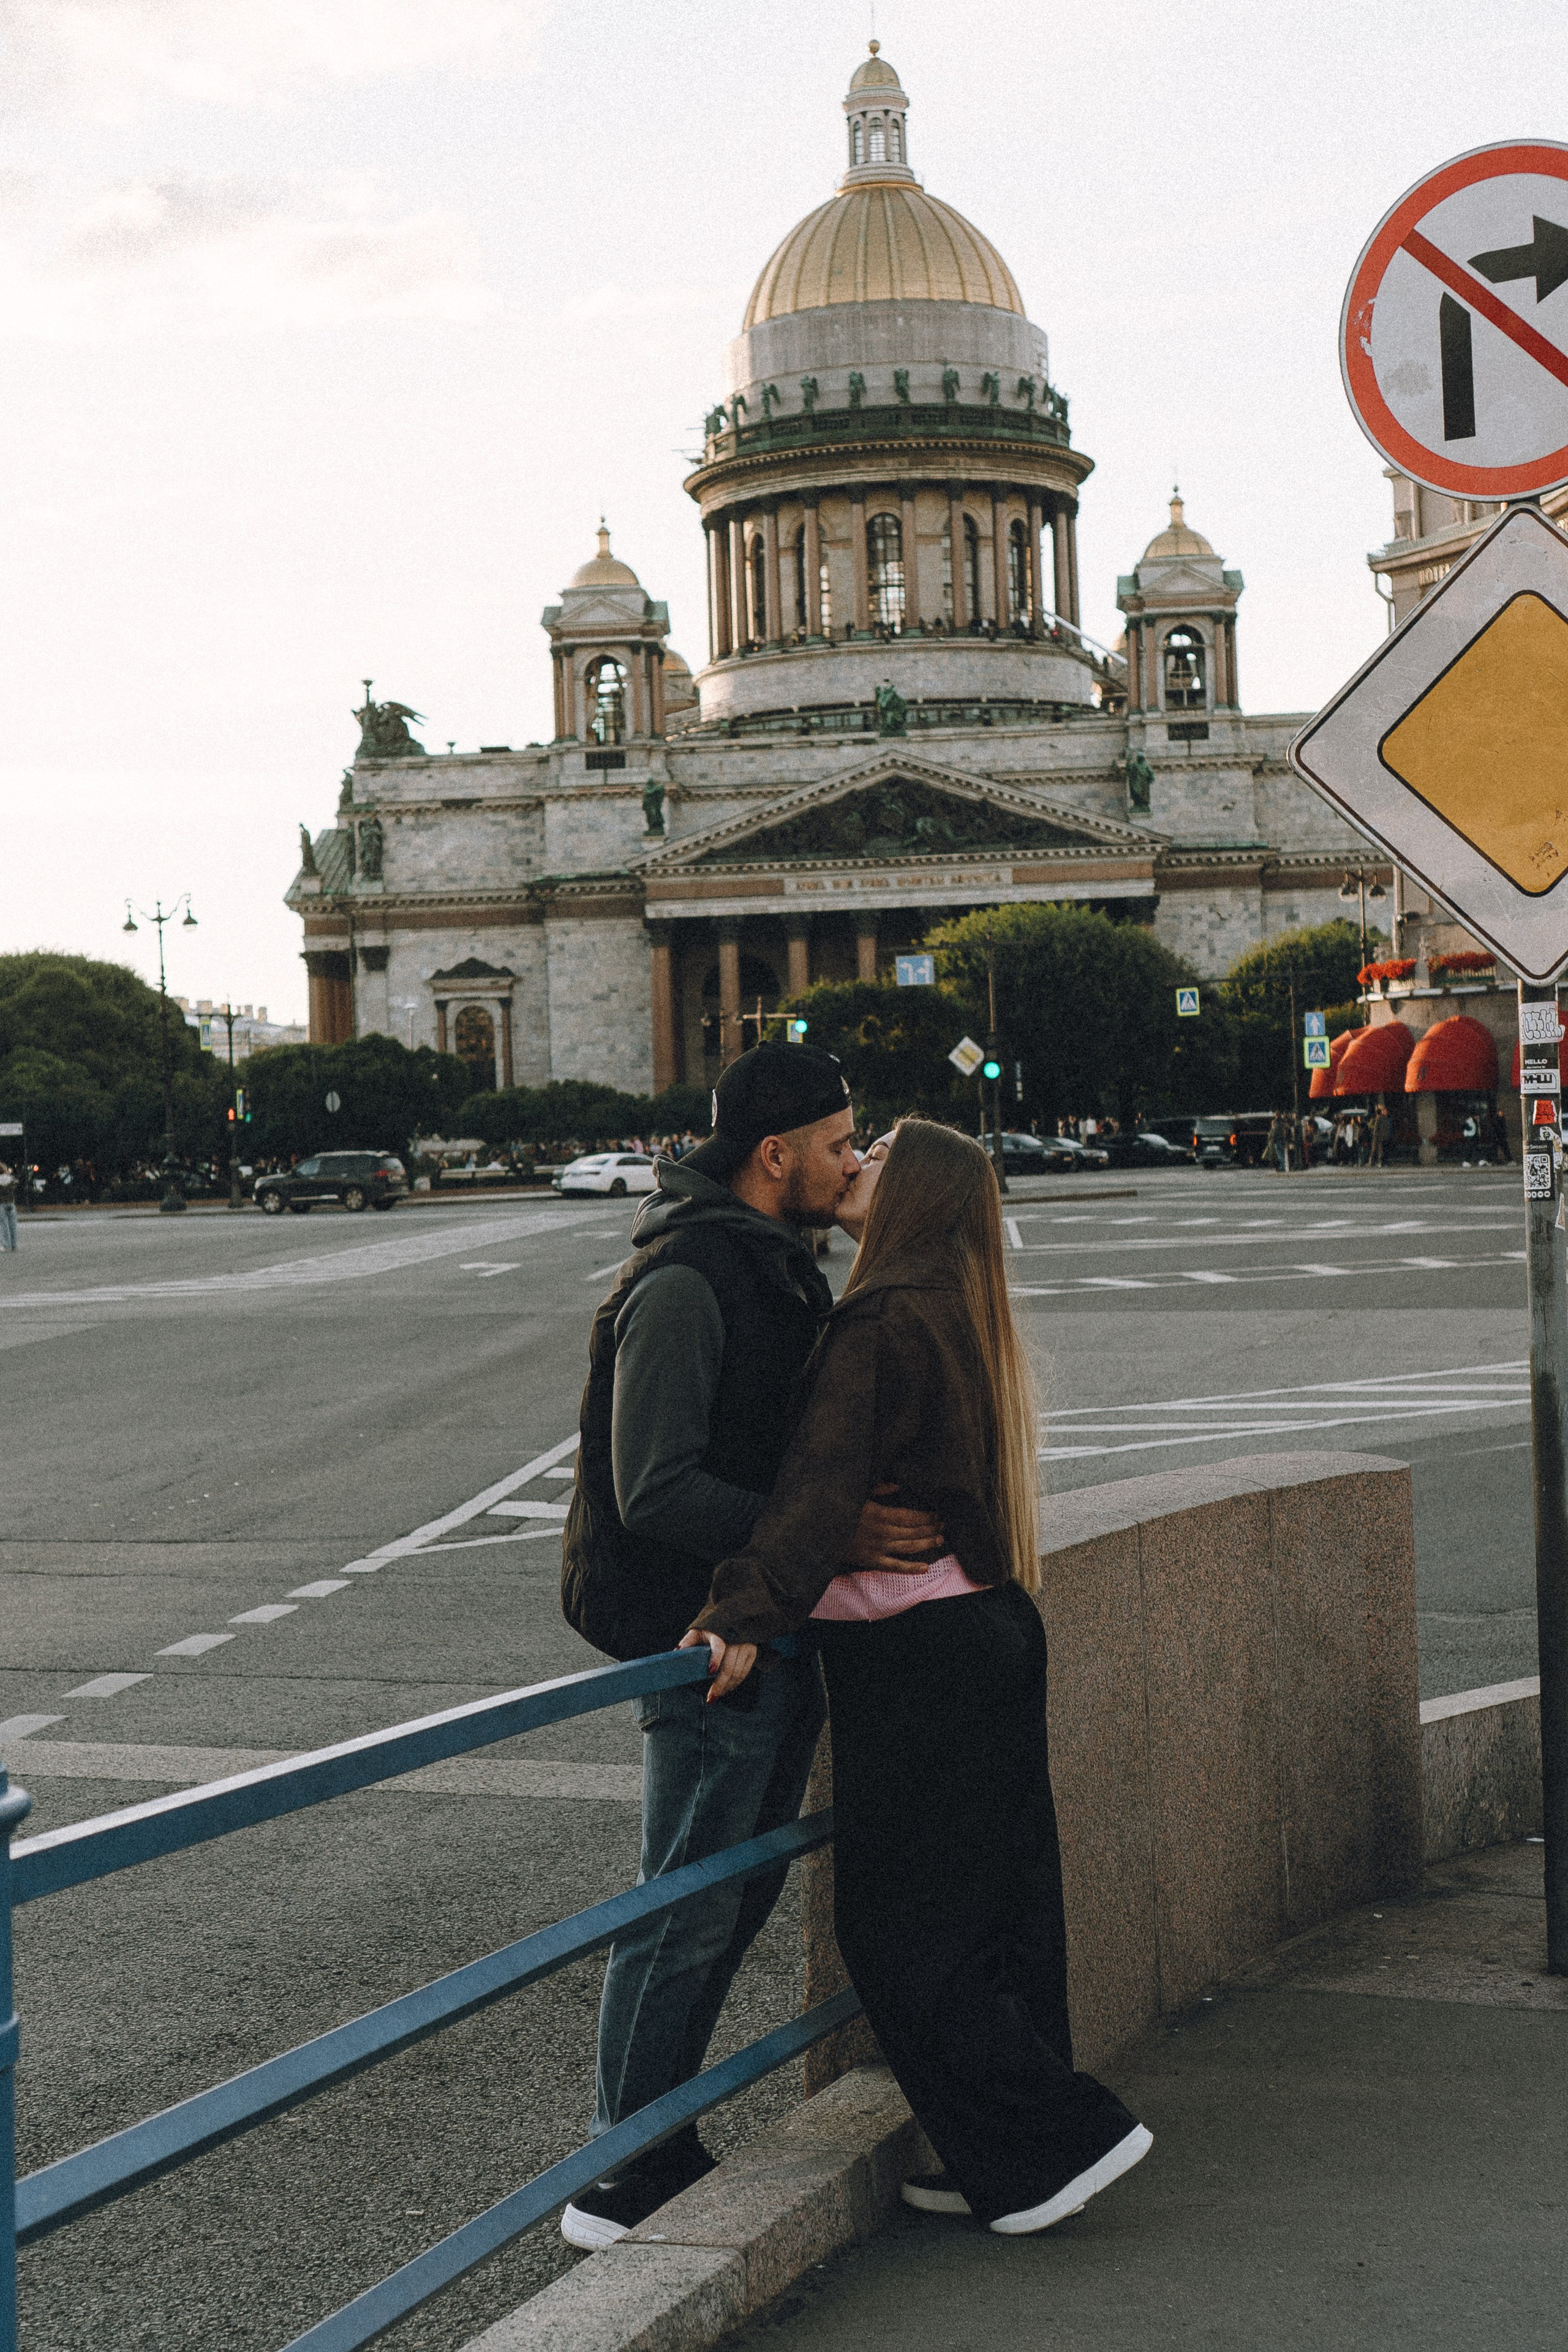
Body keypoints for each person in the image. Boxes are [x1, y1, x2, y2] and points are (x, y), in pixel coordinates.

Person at [683, 1119, 1151, 2237]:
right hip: (988, 1626)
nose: (855, 1164)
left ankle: (1059, 2139)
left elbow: (816, 1492)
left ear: (914, 1196)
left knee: (899, 1934)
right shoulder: (957, 1306)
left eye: (878, 1154)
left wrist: (742, 1608)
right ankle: (1009, 2160)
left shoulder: (882, 1319)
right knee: (1002, 1910)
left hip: (915, 1653)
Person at [558, 1044, 945, 2250]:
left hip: (757, 1618)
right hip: (699, 1637)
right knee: (684, 1901)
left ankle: (660, 2139)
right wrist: (828, 1534)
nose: (848, 1161)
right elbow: (654, 1489)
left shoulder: (771, 1263)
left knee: (726, 1894)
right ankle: (620, 2171)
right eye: (838, 1143)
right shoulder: (687, 1279)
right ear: (773, 1155)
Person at [0, 1162, 16, 1250]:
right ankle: (14, 1244)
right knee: (13, 1225)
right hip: (11, 1202)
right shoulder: (11, 1178)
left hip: (2, 1203)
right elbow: (15, 1186)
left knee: (4, 1225)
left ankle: (6, 1245)